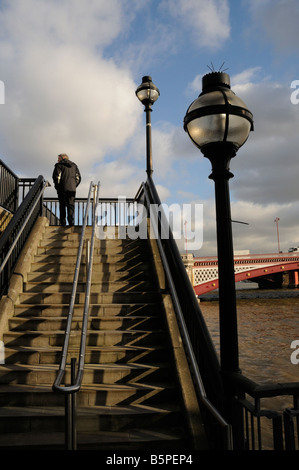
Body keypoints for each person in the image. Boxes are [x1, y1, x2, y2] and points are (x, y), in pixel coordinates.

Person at [52, 153, 81, 226]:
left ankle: (63, 222)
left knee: (62, 205)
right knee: (71, 205)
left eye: (58, 158)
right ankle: (71, 221)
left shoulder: (59, 165)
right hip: (72, 189)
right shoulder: (74, 166)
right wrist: (74, 185)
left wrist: (58, 187)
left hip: (62, 189)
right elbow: (78, 178)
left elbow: (56, 177)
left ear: (62, 158)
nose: (57, 160)